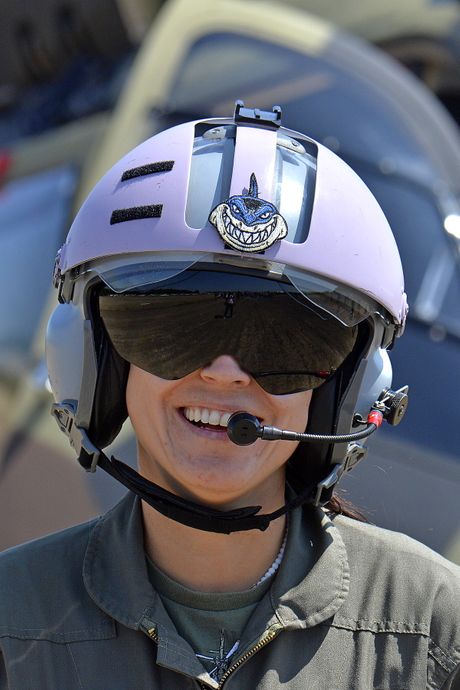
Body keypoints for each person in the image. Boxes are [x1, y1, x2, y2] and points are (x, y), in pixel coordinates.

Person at [1, 102, 459, 689]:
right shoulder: (12, 627)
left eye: (284, 342)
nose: (224, 374)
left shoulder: (435, 636)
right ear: (98, 360)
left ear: (347, 388)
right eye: (175, 327)